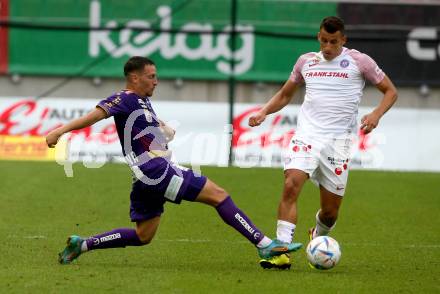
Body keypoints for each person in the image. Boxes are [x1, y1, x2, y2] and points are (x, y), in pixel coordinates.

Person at [46, 56, 302, 265]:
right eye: (151, 76)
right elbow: (96, 115)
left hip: (146, 175)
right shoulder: (124, 98)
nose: (156, 81)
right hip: (156, 170)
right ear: (134, 78)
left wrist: (161, 130)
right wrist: (60, 131)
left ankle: (83, 244)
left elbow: (143, 132)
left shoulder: (142, 102)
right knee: (219, 195)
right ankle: (264, 244)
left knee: (143, 235)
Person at [248, 16, 397, 269]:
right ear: (319, 37)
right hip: (307, 136)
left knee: (329, 213)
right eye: (324, 41)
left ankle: (317, 235)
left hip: (338, 144)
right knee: (291, 184)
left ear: (343, 40)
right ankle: (281, 252)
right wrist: (264, 111)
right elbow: (285, 94)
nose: (328, 47)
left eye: (334, 42)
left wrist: (375, 114)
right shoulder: (306, 61)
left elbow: (391, 91)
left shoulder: (359, 61)